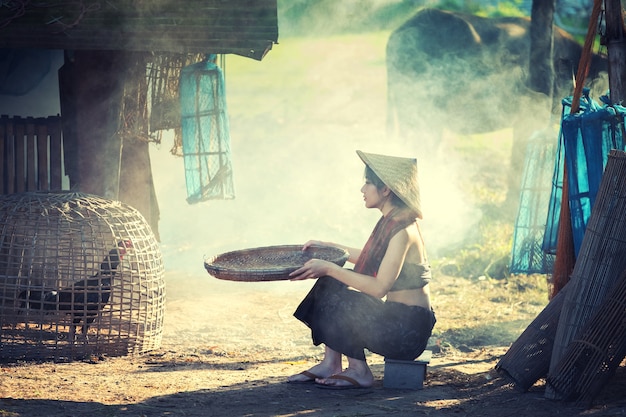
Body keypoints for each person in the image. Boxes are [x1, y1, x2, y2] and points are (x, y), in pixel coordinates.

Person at [287, 150, 436, 389]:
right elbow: (374, 258)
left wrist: (328, 267)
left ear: (386, 189)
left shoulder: (402, 229)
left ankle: (359, 370)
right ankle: (330, 363)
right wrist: (331, 249)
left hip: (406, 333)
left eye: (368, 183)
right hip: (395, 319)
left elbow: (378, 288)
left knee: (339, 291)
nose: (362, 189)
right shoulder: (393, 221)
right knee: (330, 284)